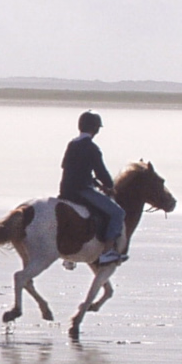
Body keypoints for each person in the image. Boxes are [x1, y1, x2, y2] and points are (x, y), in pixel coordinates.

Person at [61, 110, 126, 263]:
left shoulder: (72, 144)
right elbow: (101, 171)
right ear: (95, 129)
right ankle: (107, 251)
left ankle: (69, 256)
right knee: (117, 213)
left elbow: (69, 168)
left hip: (65, 190)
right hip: (82, 190)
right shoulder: (92, 148)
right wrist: (110, 186)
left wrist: (96, 183)